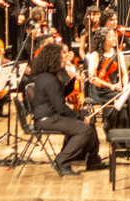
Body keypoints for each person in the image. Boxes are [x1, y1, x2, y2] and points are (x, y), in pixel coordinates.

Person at [27, 41, 103, 175]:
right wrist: (80, 118)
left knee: (87, 116)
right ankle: (61, 161)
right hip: (48, 119)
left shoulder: (47, 76)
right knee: (84, 129)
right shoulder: (50, 80)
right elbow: (61, 108)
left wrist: (74, 81)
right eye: (63, 53)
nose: (66, 55)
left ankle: (92, 160)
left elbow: (60, 96)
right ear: (54, 57)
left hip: (50, 116)